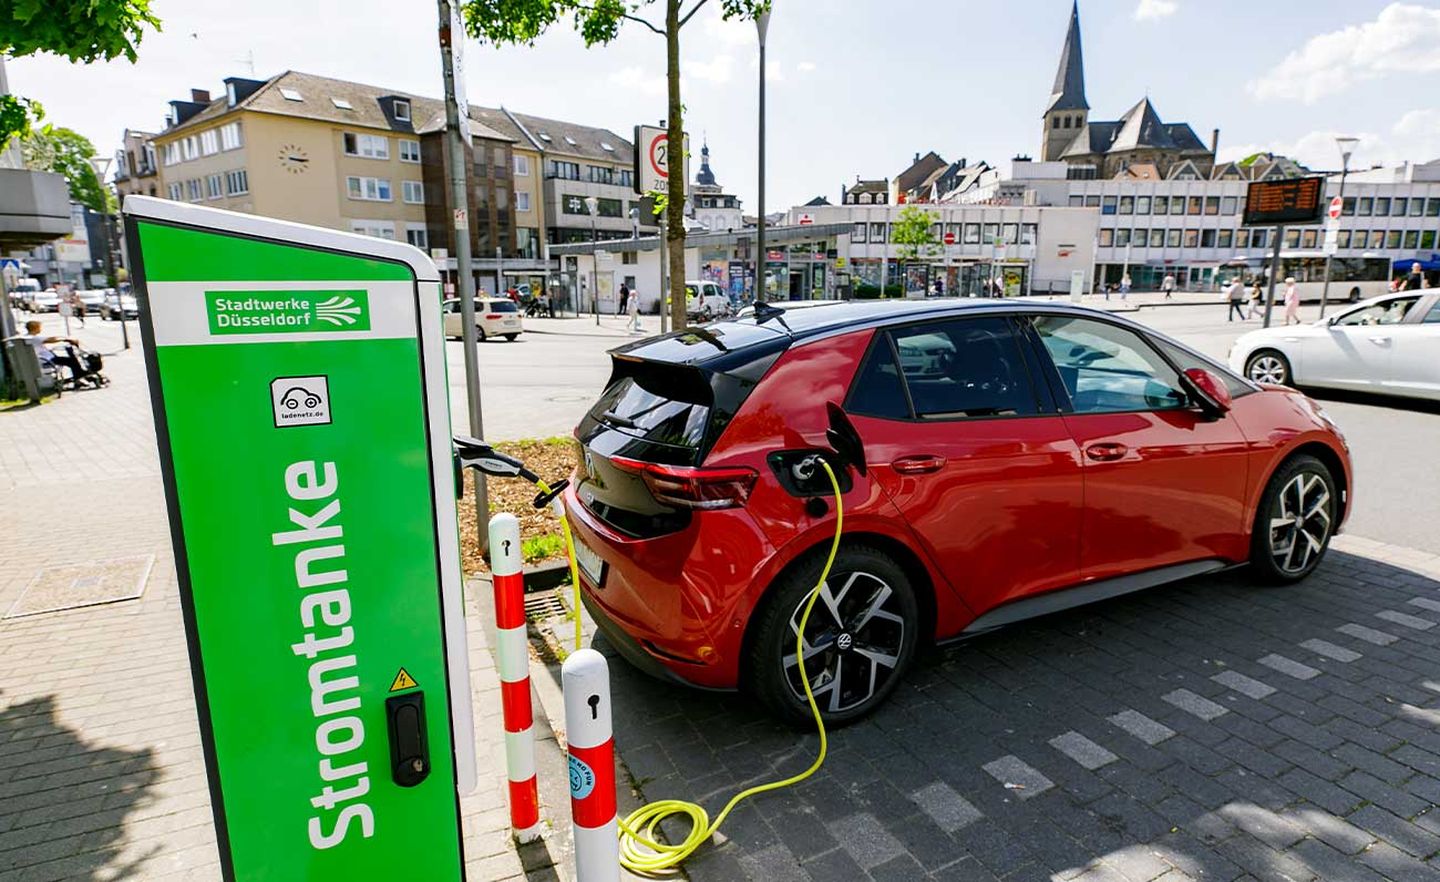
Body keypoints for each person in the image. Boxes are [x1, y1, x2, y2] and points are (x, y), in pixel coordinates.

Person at [15, 320, 84, 379]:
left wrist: (64, 338)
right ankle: (79, 377)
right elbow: (50, 339)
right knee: (72, 361)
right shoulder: (32, 338)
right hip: (46, 359)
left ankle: (79, 376)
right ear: (35, 328)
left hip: (45, 358)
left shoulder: (30, 337)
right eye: (39, 327)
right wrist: (65, 339)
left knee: (70, 360)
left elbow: (50, 339)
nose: (40, 329)